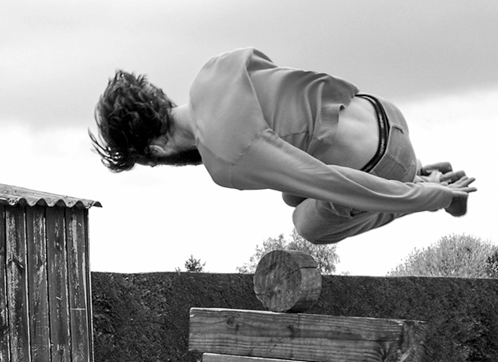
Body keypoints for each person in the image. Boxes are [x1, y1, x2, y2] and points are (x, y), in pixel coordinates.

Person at [90, 48, 476, 244]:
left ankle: (421, 182)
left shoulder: (225, 161)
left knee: (306, 223)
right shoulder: (217, 67)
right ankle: (417, 173)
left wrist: (426, 198)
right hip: (382, 112)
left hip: (384, 161)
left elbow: (331, 183)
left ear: (156, 151)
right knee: (290, 196)